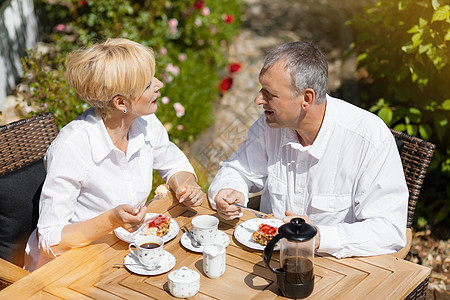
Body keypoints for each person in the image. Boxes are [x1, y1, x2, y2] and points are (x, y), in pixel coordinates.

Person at [208, 41, 409, 258]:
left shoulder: (369, 138)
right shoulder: (270, 126)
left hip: (337, 268)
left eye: (269, 94)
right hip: (267, 258)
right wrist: (230, 190)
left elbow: (389, 231)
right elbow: (236, 170)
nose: (258, 100)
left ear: (306, 98)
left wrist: (321, 238)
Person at [24, 38, 204, 271]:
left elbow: (174, 164)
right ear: (121, 103)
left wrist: (186, 186)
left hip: (128, 253)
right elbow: (50, 241)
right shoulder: (72, 146)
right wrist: (110, 220)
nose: (159, 84)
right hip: (72, 267)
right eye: (149, 85)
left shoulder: (145, 122)